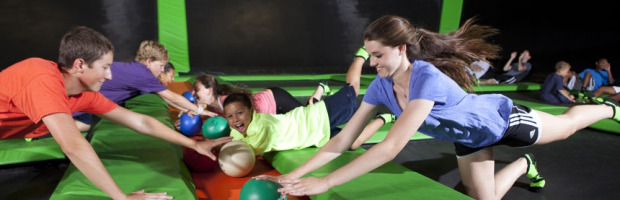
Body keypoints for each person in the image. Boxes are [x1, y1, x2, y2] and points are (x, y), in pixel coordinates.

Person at [261, 15, 620, 200]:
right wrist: (289, 177)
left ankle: (608, 108)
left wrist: (325, 182)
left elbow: (389, 148)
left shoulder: (426, 78)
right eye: (369, 54)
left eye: (378, 55)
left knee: (569, 125)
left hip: (503, 120)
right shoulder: (382, 88)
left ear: (401, 49)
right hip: (470, 140)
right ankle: (524, 165)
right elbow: (341, 142)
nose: (372, 63)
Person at [0, 26, 231, 200]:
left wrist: (194, 145)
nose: (110, 76)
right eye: (105, 67)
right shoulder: (44, 81)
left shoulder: (83, 94)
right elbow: (74, 146)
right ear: (80, 65)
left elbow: (140, 122)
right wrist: (122, 198)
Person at [221, 48, 367, 155]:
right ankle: (384, 118)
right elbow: (234, 139)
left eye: (239, 113)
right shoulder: (238, 130)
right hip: (315, 135)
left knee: (352, 89)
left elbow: (245, 152)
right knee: (352, 143)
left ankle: (360, 56)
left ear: (251, 111)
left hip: (318, 118)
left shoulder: (261, 127)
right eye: (230, 116)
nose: (235, 119)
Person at [73, 40, 216, 131]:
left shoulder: (139, 70)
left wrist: (187, 109)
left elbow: (166, 98)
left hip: (92, 95)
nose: (161, 70)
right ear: (148, 62)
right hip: (84, 92)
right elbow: (171, 96)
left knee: (86, 123)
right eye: (160, 65)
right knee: (80, 121)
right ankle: (54, 128)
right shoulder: (143, 74)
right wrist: (198, 110)